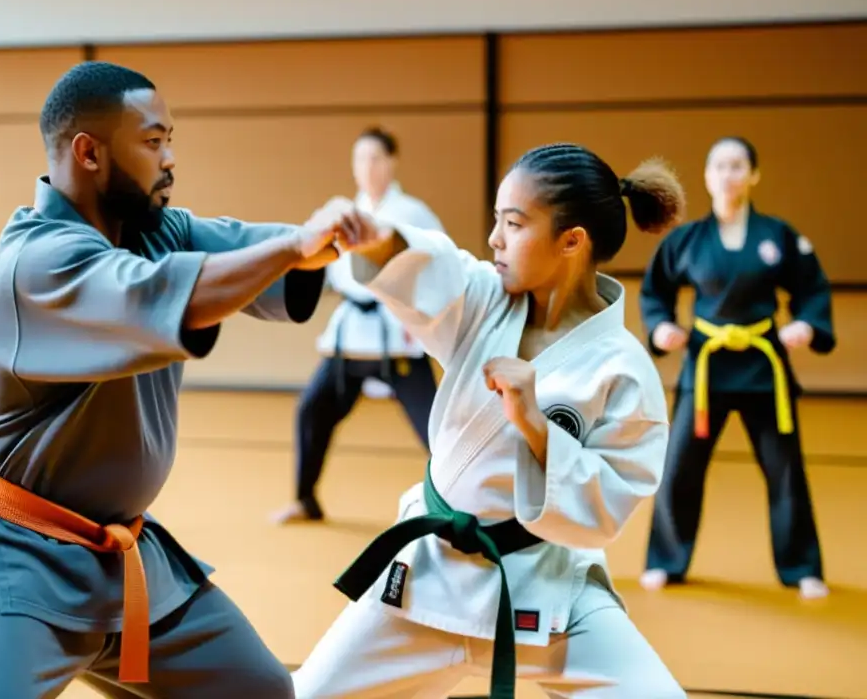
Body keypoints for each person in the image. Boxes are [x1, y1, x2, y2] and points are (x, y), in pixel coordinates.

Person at [0, 61, 372, 698]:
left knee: (261, 691)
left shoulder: (157, 230)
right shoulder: (34, 264)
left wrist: (342, 242)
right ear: (89, 152)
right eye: (154, 141)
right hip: (14, 563)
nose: (170, 158)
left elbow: (260, 257)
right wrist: (297, 244)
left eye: (169, 140)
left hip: (124, 559)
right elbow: (159, 295)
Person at [291, 143, 687, 698]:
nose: (495, 238)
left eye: (514, 224)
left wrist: (535, 425)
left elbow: (605, 507)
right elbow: (433, 267)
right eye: (496, 221)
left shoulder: (622, 370)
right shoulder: (485, 300)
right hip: (427, 580)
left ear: (572, 241)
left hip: (547, 591)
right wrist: (374, 237)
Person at [638, 136, 834, 601]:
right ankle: (666, 560)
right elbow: (654, 291)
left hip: (763, 366)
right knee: (681, 463)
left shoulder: (778, 236)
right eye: (719, 166)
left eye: (737, 165)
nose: (728, 174)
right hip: (706, 369)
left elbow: (812, 287)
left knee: (785, 468)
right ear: (707, 176)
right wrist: (662, 326)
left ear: (754, 175)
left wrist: (806, 324)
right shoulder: (686, 240)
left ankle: (801, 566)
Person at [272, 127, 444, 524]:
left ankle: (462, 508)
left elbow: (439, 263)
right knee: (312, 410)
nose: (367, 167)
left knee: (437, 430)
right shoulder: (345, 211)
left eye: (375, 158)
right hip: (350, 337)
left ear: (391, 162)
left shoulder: (413, 213)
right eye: (360, 159)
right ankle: (305, 499)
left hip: (398, 334)